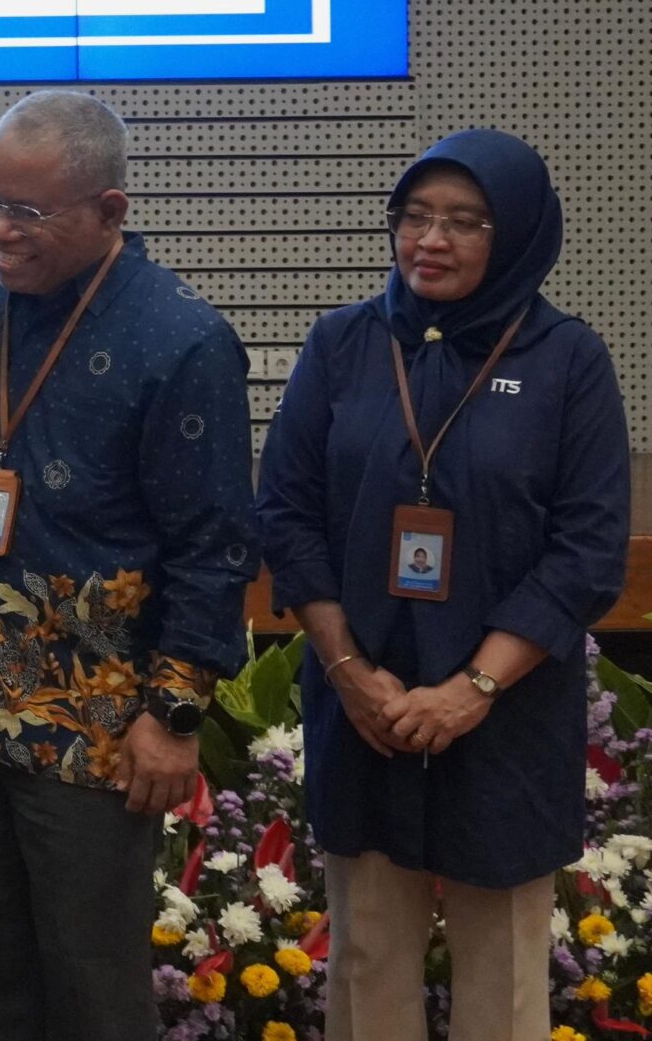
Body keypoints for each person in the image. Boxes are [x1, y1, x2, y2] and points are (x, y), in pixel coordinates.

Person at [257, 130, 628, 1041]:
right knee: (366, 954)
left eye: (464, 222)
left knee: (503, 970)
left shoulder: (567, 359)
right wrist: (349, 672)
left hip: (505, 711)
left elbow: (587, 549)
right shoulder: (342, 342)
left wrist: (474, 688)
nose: (431, 240)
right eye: (415, 216)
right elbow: (287, 513)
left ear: (518, 235)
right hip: (366, 703)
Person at [0, 91, 258, 1041]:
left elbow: (217, 548)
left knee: (92, 988)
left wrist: (174, 716)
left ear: (111, 210)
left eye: (28, 211)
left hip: (96, 730)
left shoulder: (183, 339)